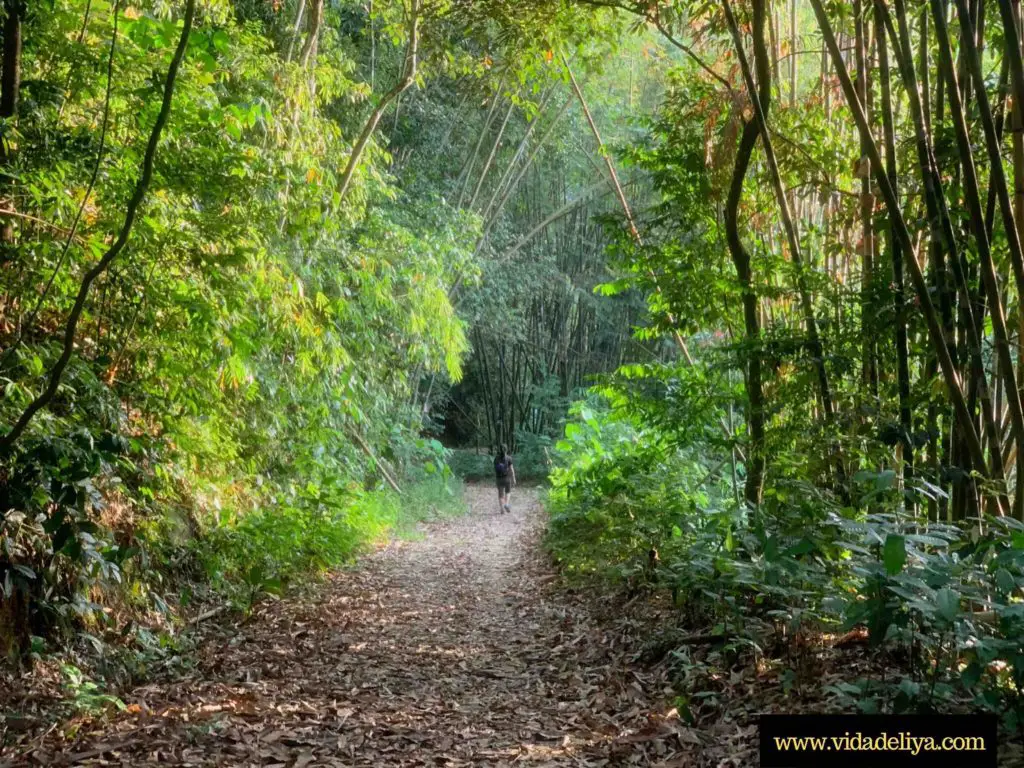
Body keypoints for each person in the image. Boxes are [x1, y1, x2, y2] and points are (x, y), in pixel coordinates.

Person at [494, 443, 516, 514]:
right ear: (506, 450)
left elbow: (495, 469)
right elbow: (511, 469)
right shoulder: (509, 458)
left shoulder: (496, 458)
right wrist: (513, 478)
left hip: (499, 478)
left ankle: (502, 508)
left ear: (499, 450)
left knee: (500, 494)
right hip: (507, 478)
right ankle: (506, 504)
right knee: (508, 492)